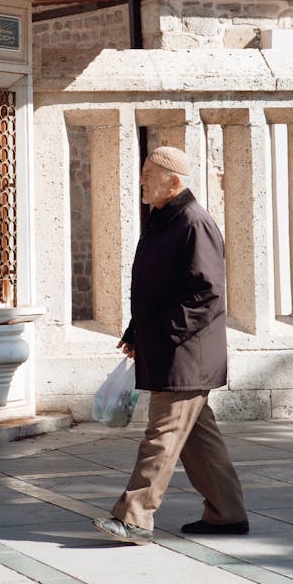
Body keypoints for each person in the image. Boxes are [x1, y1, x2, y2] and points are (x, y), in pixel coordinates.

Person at [93, 145, 248, 546]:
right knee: (199, 440)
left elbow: (207, 294)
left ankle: (134, 517)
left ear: (173, 182)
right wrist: (136, 332)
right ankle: (227, 514)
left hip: (186, 355)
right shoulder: (164, 220)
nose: (141, 180)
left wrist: (161, 335)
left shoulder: (195, 224)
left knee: (161, 435)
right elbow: (157, 288)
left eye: (148, 173)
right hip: (171, 348)